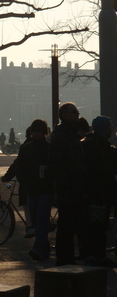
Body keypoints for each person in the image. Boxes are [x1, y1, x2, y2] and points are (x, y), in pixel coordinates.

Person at [49, 102, 88, 266]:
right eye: (74, 112)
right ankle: (65, 258)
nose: (77, 115)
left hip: (75, 185)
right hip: (69, 187)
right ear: (64, 115)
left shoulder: (70, 134)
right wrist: (66, 183)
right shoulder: (62, 136)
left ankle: (68, 257)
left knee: (71, 223)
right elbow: (57, 164)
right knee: (67, 224)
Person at [80, 116, 117, 266]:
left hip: (92, 191)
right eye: (109, 127)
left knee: (93, 225)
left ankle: (91, 254)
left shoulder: (87, 145)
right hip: (99, 191)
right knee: (98, 226)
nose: (111, 129)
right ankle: (97, 255)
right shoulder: (102, 148)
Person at [16, 119, 54, 261]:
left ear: (43, 132)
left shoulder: (28, 148)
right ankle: (43, 249)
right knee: (39, 220)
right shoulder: (47, 148)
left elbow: (19, 167)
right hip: (35, 188)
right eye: (35, 131)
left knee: (41, 219)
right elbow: (20, 167)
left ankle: (39, 248)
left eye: (39, 131)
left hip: (42, 189)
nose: (37, 134)